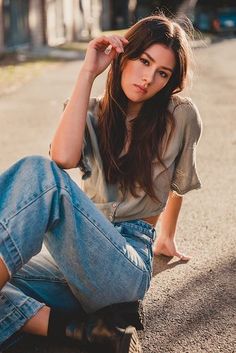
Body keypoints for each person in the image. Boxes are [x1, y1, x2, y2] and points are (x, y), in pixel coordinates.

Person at [0, 13, 202, 353]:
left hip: (125, 265)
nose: (148, 78)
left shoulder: (179, 115)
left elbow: (178, 183)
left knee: (40, 175)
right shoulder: (87, 112)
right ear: (123, 55)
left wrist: (165, 237)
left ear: (170, 81)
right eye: (144, 61)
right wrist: (88, 71)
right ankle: (84, 331)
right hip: (75, 263)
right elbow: (65, 155)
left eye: (162, 73)